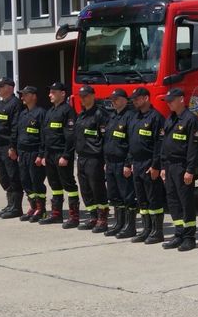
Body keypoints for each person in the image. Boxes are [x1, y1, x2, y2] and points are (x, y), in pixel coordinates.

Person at [159, 88, 198, 252]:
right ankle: (179, 234)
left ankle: (189, 237)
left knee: (186, 201)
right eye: (167, 100)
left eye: (171, 100)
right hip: (169, 166)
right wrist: (163, 166)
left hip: (183, 166)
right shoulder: (170, 119)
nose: (169, 103)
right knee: (172, 200)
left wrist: (190, 170)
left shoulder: (191, 120)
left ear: (181, 100)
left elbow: (194, 148)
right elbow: (164, 144)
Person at [126, 87, 166, 245]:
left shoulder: (156, 117)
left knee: (153, 198)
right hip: (137, 164)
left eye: (137, 98)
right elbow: (132, 142)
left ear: (146, 98)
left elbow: (159, 144)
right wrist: (130, 162)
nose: (134, 101)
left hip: (150, 164)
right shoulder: (135, 117)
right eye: (133, 99)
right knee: (142, 200)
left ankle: (158, 232)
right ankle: (146, 229)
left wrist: (156, 165)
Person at [40, 82, 79, 228]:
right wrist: (44, 154)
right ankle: (56, 214)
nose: (50, 94)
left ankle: (74, 216)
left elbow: (70, 136)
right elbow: (45, 135)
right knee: (54, 184)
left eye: (53, 92)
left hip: (61, 154)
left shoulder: (67, 111)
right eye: (50, 92)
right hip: (49, 154)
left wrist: (66, 155)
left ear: (63, 93)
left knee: (68, 184)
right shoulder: (50, 111)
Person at [74, 84, 110, 233]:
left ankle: (102, 219)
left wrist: (105, 160)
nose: (82, 99)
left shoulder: (100, 114)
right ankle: (93, 216)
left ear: (93, 96)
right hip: (82, 156)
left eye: (85, 96)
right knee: (85, 189)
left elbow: (105, 138)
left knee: (97, 188)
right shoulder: (82, 114)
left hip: (95, 158)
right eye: (81, 96)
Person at [102, 88, 135, 238]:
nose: (113, 102)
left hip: (122, 162)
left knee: (127, 195)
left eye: (116, 99)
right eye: (112, 99)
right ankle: (118, 224)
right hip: (111, 162)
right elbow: (107, 140)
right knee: (114, 195)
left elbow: (131, 143)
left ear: (124, 100)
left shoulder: (130, 116)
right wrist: (106, 161)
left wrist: (128, 163)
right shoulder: (112, 117)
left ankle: (130, 226)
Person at [0, 77, 24, 220]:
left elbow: (15, 127)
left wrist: (12, 146)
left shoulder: (15, 104)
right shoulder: (0, 105)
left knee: (13, 176)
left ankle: (16, 207)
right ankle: (9, 204)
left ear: (9, 88)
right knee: (3, 177)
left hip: (8, 147)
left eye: (1, 86)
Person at [13, 86, 48, 222]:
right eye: (21, 95)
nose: (22, 98)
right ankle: (33, 206)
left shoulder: (41, 113)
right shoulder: (23, 114)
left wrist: (41, 155)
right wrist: (18, 151)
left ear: (33, 96)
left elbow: (43, 136)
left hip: (35, 152)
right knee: (25, 181)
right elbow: (19, 134)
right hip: (23, 153)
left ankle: (41, 209)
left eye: (25, 95)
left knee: (36, 181)